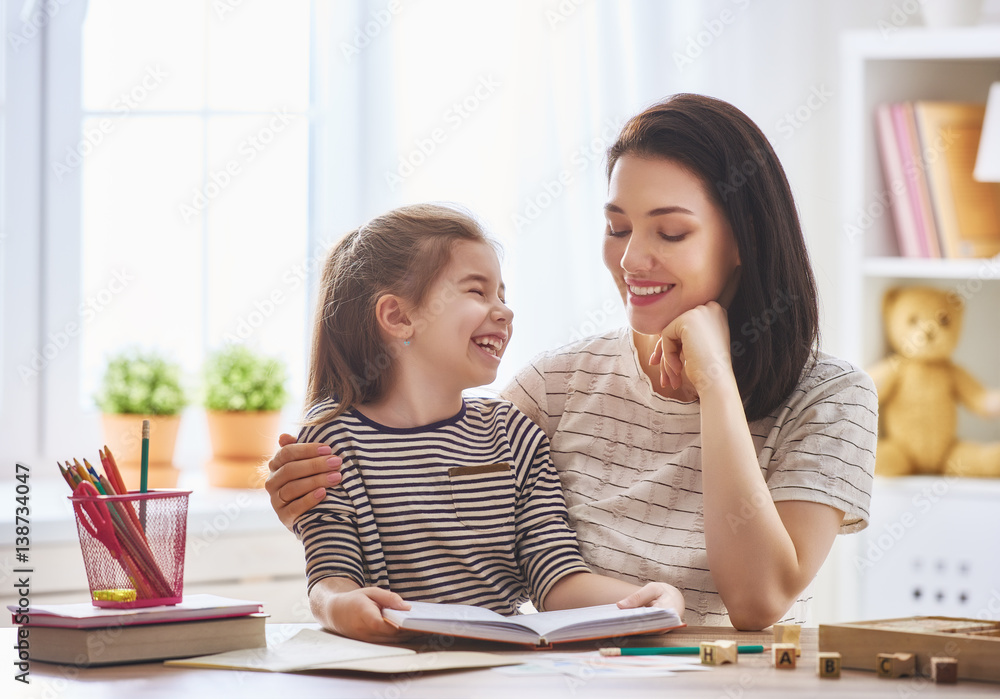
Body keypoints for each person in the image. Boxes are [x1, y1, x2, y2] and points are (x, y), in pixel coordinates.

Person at [267, 95, 877, 630]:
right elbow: (423, 482)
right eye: (616, 228)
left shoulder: (831, 398)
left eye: (670, 233)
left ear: (742, 237)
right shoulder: (552, 391)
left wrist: (715, 379)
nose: (632, 259)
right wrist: (309, 503)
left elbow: (757, 600)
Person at [291, 203, 683, 642]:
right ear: (398, 317)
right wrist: (342, 608)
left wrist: (642, 600)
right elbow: (330, 577)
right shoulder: (332, 443)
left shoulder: (513, 434)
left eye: (502, 295)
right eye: (477, 292)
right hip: (390, 667)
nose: (503, 311)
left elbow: (555, 578)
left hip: (502, 667)